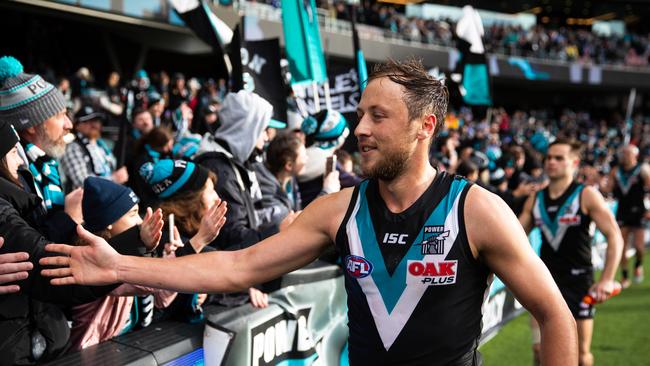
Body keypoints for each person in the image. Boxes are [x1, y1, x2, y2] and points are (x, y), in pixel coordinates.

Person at [42, 59, 578, 365]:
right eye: (360, 113)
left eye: (378, 116)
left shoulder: (477, 211)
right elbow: (237, 267)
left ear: (425, 127)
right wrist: (119, 266)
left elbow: (555, 314)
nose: (360, 129)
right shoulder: (338, 211)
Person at [519, 139, 623, 366]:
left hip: (579, 282)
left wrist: (606, 279)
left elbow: (614, 235)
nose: (551, 162)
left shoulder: (586, 195)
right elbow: (514, 238)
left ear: (574, 162)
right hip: (545, 282)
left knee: (580, 355)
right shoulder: (536, 198)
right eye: (549, 157)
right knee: (540, 350)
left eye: (559, 158)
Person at [70, 177, 178, 350]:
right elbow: (149, 283)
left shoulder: (129, 252)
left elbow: (161, 299)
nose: (140, 222)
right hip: (88, 356)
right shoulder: (94, 260)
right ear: (109, 222)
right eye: (133, 214)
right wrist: (193, 247)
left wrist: (168, 254)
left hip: (117, 348)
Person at [605, 144, 650, 287]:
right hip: (622, 211)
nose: (624, 156)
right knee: (621, 244)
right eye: (623, 153)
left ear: (634, 155)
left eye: (627, 153)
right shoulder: (616, 171)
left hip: (639, 211)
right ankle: (625, 276)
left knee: (639, 247)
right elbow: (608, 189)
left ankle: (638, 265)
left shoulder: (643, 169)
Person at [60, 105, 128, 192]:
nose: (93, 124)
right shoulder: (73, 148)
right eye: (86, 121)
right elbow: (82, 183)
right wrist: (113, 179)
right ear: (76, 125)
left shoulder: (102, 145)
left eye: (96, 120)